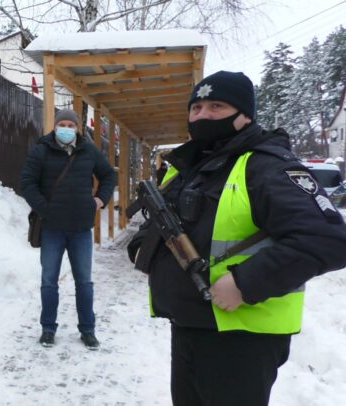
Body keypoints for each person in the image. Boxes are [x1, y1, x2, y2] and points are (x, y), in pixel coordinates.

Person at [127, 71, 346, 406]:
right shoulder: (189, 165)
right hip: (189, 326)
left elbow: (327, 239)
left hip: (242, 338)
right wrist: (145, 243)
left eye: (217, 106)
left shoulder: (265, 166)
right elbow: (168, 219)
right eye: (197, 107)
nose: (203, 115)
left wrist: (246, 283)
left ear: (245, 115)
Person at [20, 109, 116, 350]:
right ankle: (48, 329)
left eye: (70, 125)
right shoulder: (41, 149)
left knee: (84, 282)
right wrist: (45, 209)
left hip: (81, 229)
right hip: (52, 228)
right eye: (61, 124)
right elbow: (27, 183)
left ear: (77, 127)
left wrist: (100, 199)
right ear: (55, 127)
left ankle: (88, 330)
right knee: (49, 281)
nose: (66, 128)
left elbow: (108, 176)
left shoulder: (88, 150)